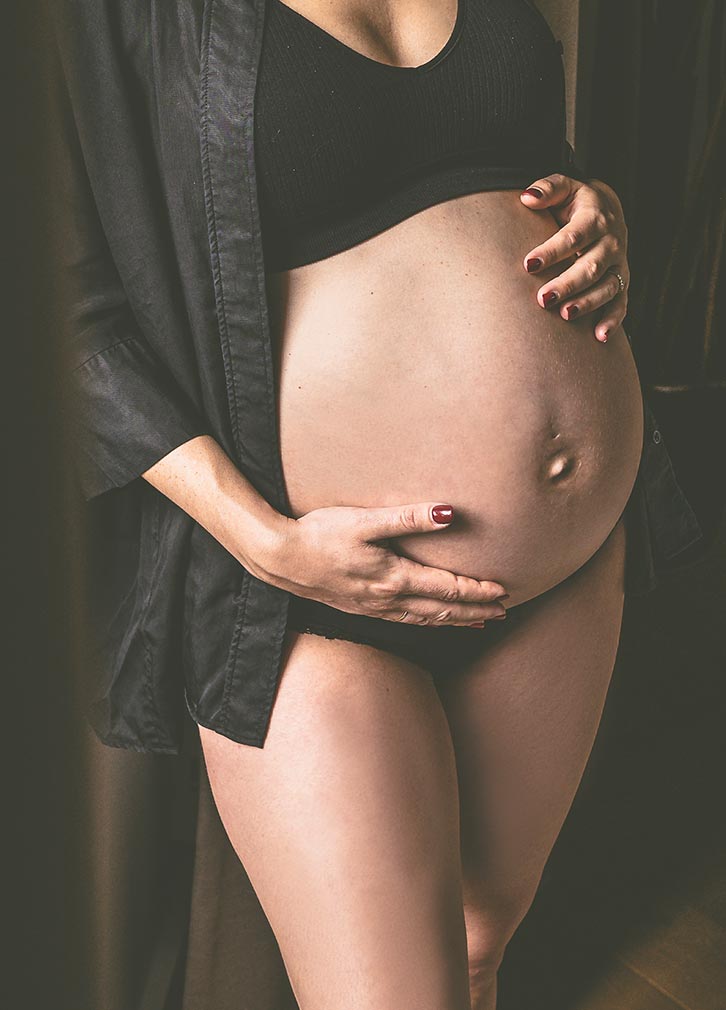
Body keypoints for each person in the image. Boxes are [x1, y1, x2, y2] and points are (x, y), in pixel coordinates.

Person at [53, 1, 704, 1007]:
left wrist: (597, 209)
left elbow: (507, 159)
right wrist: (262, 540)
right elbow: (60, 309)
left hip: (562, 572)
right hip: (304, 588)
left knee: (481, 944)